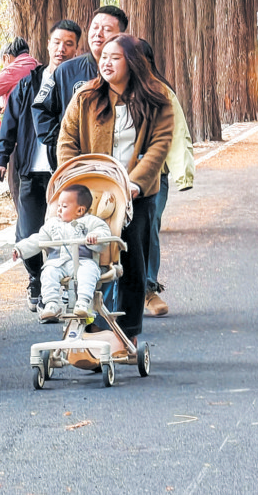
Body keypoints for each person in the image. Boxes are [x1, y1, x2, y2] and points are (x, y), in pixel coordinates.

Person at [57, 35, 174, 354]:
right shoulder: (86, 97)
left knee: (132, 262)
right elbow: (67, 140)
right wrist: (74, 179)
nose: (106, 62)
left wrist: (134, 184)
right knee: (89, 259)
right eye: (103, 57)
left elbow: (159, 146)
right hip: (91, 193)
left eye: (115, 57)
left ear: (133, 62)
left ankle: (128, 333)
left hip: (137, 195)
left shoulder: (157, 98)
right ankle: (90, 330)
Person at [0, 19, 82, 312]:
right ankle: (36, 278)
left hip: (65, 176)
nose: (62, 49)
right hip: (31, 172)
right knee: (28, 233)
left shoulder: (79, 84)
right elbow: (9, 125)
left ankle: (61, 286)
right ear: (47, 44)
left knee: (63, 233)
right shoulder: (28, 83)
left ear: (77, 48)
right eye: (57, 42)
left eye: (69, 44)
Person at [138, 40, 194, 318]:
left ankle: (148, 288)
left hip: (153, 176)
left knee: (148, 227)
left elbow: (177, 132)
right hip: (114, 177)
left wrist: (183, 173)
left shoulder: (161, 93)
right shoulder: (104, 91)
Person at [34, 6, 128, 164]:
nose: (98, 33)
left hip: (121, 166)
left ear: (121, 35)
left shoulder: (130, 71)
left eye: (106, 29)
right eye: (95, 27)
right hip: (77, 165)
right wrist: (66, 141)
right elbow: (40, 109)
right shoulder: (66, 70)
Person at [13, 183, 112, 322]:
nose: (59, 210)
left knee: (89, 272)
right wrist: (20, 249)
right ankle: (51, 304)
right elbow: (38, 239)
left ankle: (83, 302)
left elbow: (103, 232)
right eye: (58, 206)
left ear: (80, 210)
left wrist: (95, 237)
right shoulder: (53, 224)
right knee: (48, 272)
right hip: (58, 262)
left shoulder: (90, 222)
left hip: (83, 261)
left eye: (64, 207)